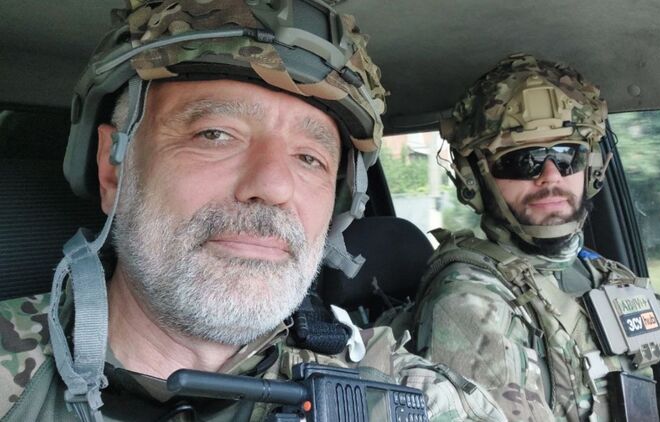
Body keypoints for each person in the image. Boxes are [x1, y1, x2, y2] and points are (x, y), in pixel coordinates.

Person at [0, 1, 505, 421]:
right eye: (215, 134)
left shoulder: (404, 396)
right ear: (113, 170)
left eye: (309, 158)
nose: (273, 186)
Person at [403, 54, 660, 421]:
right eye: (522, 160)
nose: (551, 176)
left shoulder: (611, 278)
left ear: (592, 168)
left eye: (568, 156)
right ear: (474, 179)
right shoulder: (468, 301)